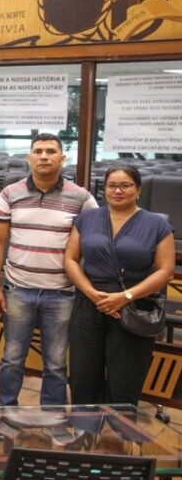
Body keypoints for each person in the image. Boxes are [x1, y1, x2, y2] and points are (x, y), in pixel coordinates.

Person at [0, 134, 97, 406]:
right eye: (38, 151)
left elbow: (95, 240)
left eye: (51, 151)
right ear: (29, 158)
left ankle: (53, 416)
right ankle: (5, 411)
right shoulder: (9, 194)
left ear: (62, 158)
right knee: (12, 358)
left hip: (61, 293)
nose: (44, 156)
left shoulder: (82, 198)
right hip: (18, 289)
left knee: (56, 362)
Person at [64, 166, 175, 405]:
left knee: (125, 379)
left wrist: (125, 297)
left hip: (134, 305)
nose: (118, 191)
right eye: (112, 185)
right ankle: (86, 427)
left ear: (138, 190)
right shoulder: (86, 219)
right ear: (105, 189)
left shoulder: (157, 224)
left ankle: (118, 429)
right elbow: (70, 259)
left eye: (125, 185)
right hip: (89, 302)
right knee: (83, 376)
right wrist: (92, 294)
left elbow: (165, 271)